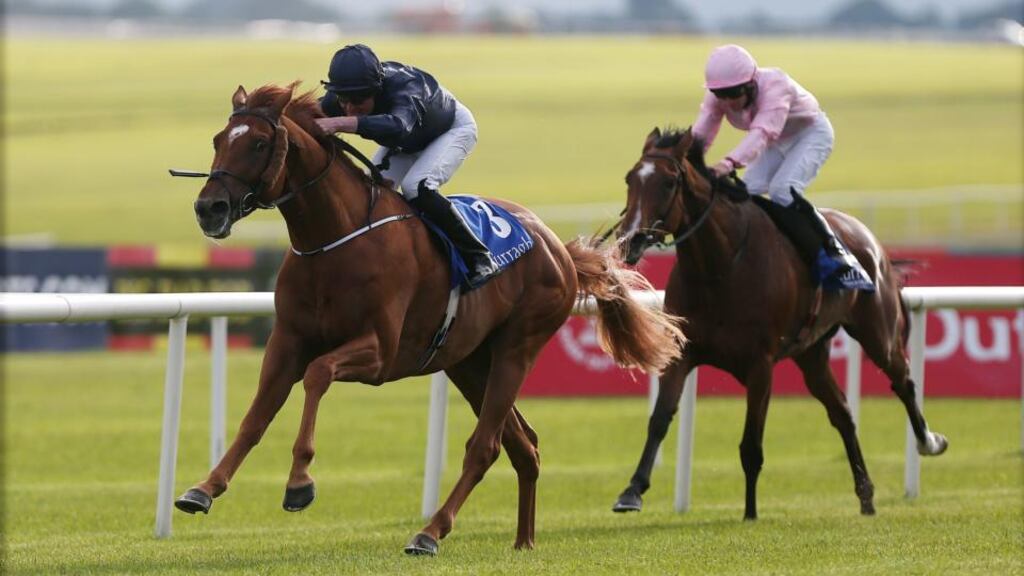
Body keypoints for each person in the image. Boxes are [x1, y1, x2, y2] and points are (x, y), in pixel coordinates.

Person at [692, 44, 873, 291]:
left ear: (751, 83)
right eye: (719, 94)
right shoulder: (720, 95)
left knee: (782, 190)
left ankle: (835, 255)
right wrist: (687, 159)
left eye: (732, 93)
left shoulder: (776, 85)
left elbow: (763, 133)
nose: (726, 101)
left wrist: (728, 163)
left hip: (810, 135)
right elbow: (704, 130)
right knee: (747, 193)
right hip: (776, 141)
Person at [315, 44, 498, 288]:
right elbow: (306, 111)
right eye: (343, 100)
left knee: (417, 187)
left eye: (358, 100)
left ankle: (479, 257)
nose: (349, 107)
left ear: (376, 90)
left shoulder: (406, 87)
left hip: (449, 130)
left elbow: (399, 126)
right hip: (407, 142)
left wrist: (341, 122)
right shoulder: (344, 96)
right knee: (368, 191)